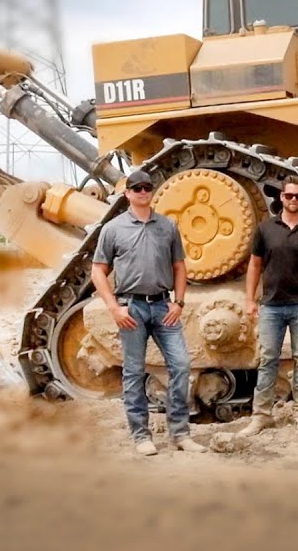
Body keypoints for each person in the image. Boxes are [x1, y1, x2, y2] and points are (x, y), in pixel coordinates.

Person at [91, 169, 207, 456]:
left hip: (162, 305)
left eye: (147, 188)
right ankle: (141, 435)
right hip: (132, 308)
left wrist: (179, 302)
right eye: (137, 188)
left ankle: (180, 433)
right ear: (127, 193)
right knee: (133, 371)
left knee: (180, 365)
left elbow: (179, 266)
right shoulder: (113, 229)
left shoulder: (167, 226)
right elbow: (98, 270)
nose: (143, 192)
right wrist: (114, 308)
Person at [238, 175, 298, 437]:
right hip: (271, 305)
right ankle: (261, 416)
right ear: (281, 197)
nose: (293, 200)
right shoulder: (266, 228)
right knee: (267, 359)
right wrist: (249, 299)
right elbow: (255, 265)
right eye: (289, 195)